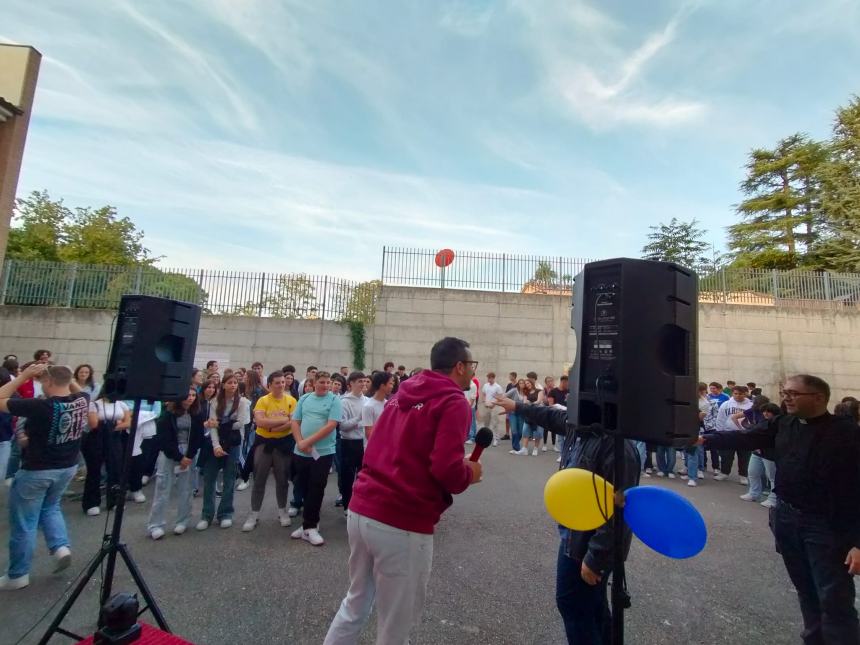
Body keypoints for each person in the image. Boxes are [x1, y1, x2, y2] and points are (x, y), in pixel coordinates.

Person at [323, 337, 482, 644]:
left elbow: (386, 446)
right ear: (459, 366)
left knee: (354, 603)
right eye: (471, 366)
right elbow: (446, 470)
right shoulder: (453, 401)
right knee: (396, 626)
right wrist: (469, 473)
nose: (471, 372)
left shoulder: (401, 395)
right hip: (401, 519)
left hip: (362, 507)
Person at [701, 374, 860, 644]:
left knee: (833, 598)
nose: (786, 397)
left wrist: (857, 542)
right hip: (786, 518)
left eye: (794, 393)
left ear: (819, 397)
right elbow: (748, 438)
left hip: (826, 527)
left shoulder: (846, 434)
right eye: (784, 392)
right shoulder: (783, 423)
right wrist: (706, 441)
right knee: (805, 590)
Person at [495, 389, 640, 643]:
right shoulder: (579, 426)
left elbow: (620, 511)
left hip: (589, 546)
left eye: (576, 397)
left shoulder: (617, 447)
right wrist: (517, 407)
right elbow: (549, 416)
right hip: (574, 535)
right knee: (591, 606)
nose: (568, 402)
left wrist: (595, 557)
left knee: (572, 604)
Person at [0, 364, 89, 590]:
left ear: (47, 382)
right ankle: (60, 547)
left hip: (37, 470)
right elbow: (77, 389)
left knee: (24, 523)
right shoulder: (82, 400)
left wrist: (24, 375)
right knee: (50, 507)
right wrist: (67, 375)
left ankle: (18, 574)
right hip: (66, 468)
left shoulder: (41, 406)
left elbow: (1, 398)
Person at [290, 371, 342, 546]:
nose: (326, 385)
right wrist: (299, 442)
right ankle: (307, 523)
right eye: (322, 382)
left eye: (328, 382)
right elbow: (295, 421)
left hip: (323, 452)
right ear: (314, 383)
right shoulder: (304, 399)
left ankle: (311, 526)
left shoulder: (335, 400)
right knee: (302, 486)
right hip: (301, 451)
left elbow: (331, 425)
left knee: (317, 487)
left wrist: (308, 442)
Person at [147, 387, 204, 540]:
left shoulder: (197, 414)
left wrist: (189, 456)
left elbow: (198, 437)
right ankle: (156, 525)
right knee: (163, 488)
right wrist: (179, 457)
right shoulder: (168, 415)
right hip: (169, 453)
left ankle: (183, 521)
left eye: (193, 395)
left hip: (189, 453)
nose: (190, 398)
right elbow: (163, 439)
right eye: (187, 395)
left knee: (186, 489)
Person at [242, 371, 296, 532]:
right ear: (270, 384)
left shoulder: (291, 400)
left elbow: (293, 423)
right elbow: (260, 422)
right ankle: (254, 514)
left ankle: (282, 512)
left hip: (283, 444)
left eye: (283, 382)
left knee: (282, 480)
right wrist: (283, 420)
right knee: (259, 479)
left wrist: (271, 425)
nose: (281, 385)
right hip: (263, 444)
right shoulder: (262, 400)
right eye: (277, 382)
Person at [197, 374, 250, 530]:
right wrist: (216, 446)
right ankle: (206, 515)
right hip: (215, 444)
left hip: (233, 445)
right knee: (209, 479)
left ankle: (226, 513)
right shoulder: (215, 402)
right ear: (224, 385)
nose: (233, 385)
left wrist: (220, 423)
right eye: (230, 383)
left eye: (235, 383)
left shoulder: (243, 402)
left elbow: (240, 424)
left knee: (229, 480)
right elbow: (212, 427)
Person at [84, 392, 132, 514]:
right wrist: (111, 423)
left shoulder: (121, 404)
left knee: (115, 468)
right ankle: (92, 502)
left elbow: (128, 421)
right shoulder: (95, 404)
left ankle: (115, 501)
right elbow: (93, 423)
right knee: (94, 469)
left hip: (115, 437)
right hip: (97, 437)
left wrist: (114, 427)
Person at [337, 372, 367, 513]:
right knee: (347, 476)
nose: (363, 384)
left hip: (364, 442)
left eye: (364, 381)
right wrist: (359, 418)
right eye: (359, 381)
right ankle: (347, 505)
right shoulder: (344, 402)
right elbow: (342, 426)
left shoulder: (367, 400)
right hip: (348, 443)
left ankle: (360, 503)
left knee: (363, 475)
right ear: (351, 384)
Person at [714, 385, 754, 483]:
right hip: (729, 433)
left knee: (744, 456)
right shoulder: (726, 404)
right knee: (726, 455)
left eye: (740, 394)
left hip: (745, 434)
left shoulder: (750, 405)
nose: (738, 396)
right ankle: (724, 473)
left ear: (745, 394)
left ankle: (743, 475)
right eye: (735, 393)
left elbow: (754, 420)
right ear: (732, 393)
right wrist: (720, 432)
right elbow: (720, 419)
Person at [363, 372, 393, 442]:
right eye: (390, 383)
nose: (392, 386)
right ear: (382, 385)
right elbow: (368, 433)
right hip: (373, 448)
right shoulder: (368, 406)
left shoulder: (388, 404)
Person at [480, 372, 504, 446]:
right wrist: (484, 401)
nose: (489, 379)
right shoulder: (485, 385)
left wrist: (493, 404)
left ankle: (496, 439)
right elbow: (483, 394)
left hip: (494, 407)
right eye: (488, 378)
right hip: (486, 406)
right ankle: (485, 439)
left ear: (493, 378)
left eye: (490, 378)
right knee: (486, 423)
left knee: (494, 423)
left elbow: (500, 397)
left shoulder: (497, 387)